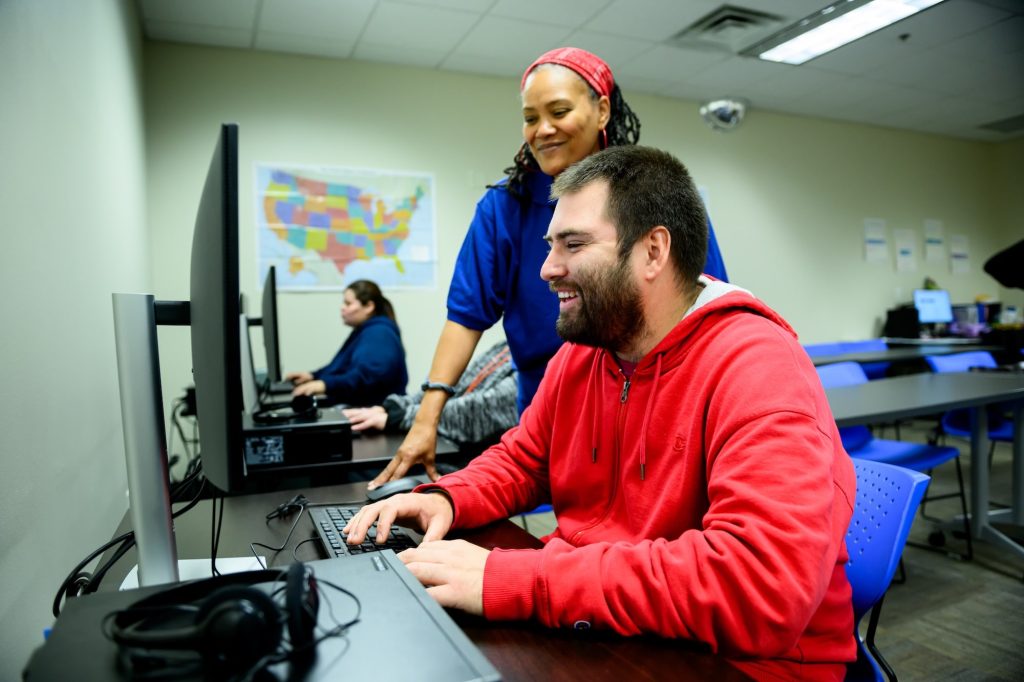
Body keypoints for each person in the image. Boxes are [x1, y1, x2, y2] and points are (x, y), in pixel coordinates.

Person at [344, 146, 856, 680]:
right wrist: (449, 499)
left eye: (574, 244)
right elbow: (525, 460)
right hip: (613, 622)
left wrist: (522, 580)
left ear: (654, 251)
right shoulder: (587, 352)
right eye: (550, 245)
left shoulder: (758, 366)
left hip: (740, 662)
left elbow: (761, 589)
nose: (547, 269)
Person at [370, 47, 728, 489]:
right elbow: (466, 317)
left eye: (559, 111)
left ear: (601, 110)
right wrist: (427, 420)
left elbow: (705, 304)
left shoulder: (657, 198)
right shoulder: (504, 207)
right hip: (554, 416)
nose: (542, 130)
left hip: (656, 406)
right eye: (530, 117)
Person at [342, 341, 517, 451]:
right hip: (443, 443)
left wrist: (398, 417)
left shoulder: (538, 363)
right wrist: (390, 408)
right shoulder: (505, 347)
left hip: (469, 459)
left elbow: (478, 413)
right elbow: (448, 386)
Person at [286, 279, 408, 406]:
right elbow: (342, 368)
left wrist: (325, 385)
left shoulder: (379, 334)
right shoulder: (365, 330)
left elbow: (367, 377)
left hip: (373, 413)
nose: (342, 308)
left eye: (348, 303)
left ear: (369, 307)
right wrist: (312, 376)